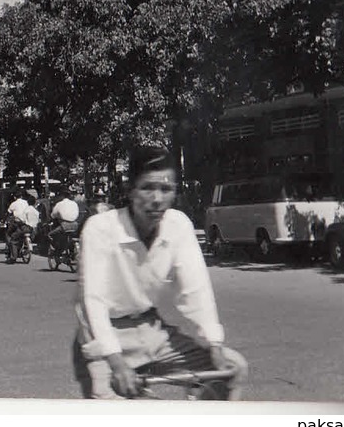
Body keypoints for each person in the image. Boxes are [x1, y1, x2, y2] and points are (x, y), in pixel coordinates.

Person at [74, 145, 247, 399]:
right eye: (147, 188)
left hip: (152, 329)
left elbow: (196, 292)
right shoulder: (99, 229)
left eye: (166, 189)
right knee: (108, 410)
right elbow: (94, 303)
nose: (157, 199)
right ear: (130, 190)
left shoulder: (179, 225)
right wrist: (117, 363)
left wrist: (214, 346)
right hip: (105, 336)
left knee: (232, 369)